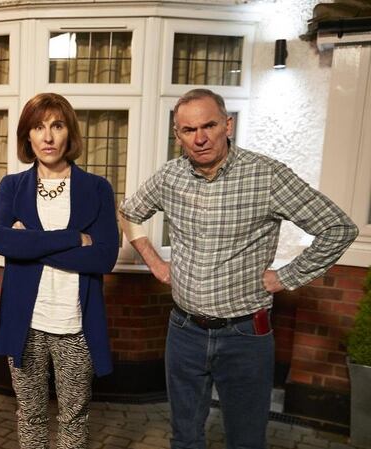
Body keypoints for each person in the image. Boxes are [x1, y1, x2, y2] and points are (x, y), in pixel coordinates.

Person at [119, 88, 358, 449]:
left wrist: (286, 276)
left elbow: (338, 228)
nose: (199, 138)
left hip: (245, 335)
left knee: (246, 440)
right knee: (184, 437)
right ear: (177, 135)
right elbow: (129, 211)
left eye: (209, 125)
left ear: (227, 125)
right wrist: (155, 262)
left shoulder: (267, 176)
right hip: (184, 330)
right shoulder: (169, 177)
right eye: (188, 130)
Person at [0, 93, 120, 449]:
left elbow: (104, 257)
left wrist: (30, 245)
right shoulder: (12, 186)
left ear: (70, 134)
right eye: (38, 127)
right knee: (30, 415)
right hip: (25, 324)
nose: (47, 137)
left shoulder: (96, 188)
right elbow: (1, 241)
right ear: (27, 136)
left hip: (75, 327)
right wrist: (73, 239)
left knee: (73, 419)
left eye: (57, 126)